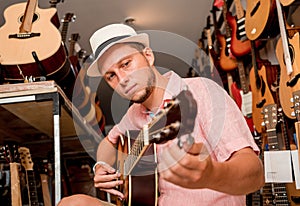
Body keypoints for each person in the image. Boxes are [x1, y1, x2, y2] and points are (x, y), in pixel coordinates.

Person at [58, 23, 264, 206]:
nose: (122, 79)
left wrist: (211, 175)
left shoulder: (201, 91)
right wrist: (101, 165)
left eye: (126, 64)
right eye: (111, 75)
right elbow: (109, 143)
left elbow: (255, 174)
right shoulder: (133, 114)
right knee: (71, 203)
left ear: (148, 56)